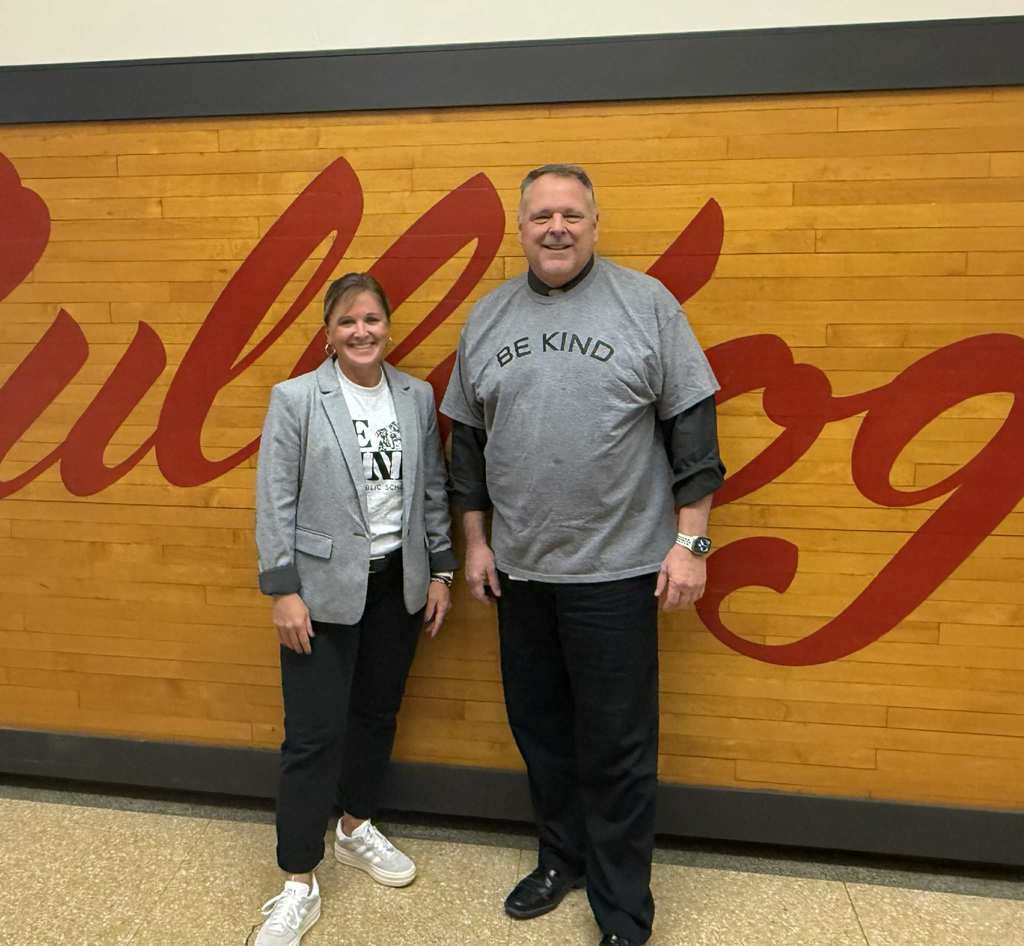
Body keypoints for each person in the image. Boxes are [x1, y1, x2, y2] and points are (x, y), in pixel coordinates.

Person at [441, 164, 725, 946]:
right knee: (542, 733)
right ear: (520, 228)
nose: (556, 227)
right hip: (521, 575)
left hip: (618, 575)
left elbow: (695, 435)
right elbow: (466, 449)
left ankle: (624, 908)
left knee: (619, 747)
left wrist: (691, 544)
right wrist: (474, 543)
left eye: (571, 214)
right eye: (540, 216)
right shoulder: (488, 317)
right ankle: (560, 858)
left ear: (595, 223)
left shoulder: (647, 306)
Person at [253, 272, 457, 946]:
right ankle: (297, 881)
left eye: (372, 320)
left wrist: (440, 569)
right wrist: (283, 589)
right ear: (328, 333)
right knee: (312, 737)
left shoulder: (416, 396)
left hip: (397, 586)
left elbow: (431, 490)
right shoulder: (296, 399)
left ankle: (354, 828)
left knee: (375, 716)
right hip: (318, 594)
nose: (361, 332)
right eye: (347, 323)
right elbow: (275, 500)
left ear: (388, 326)